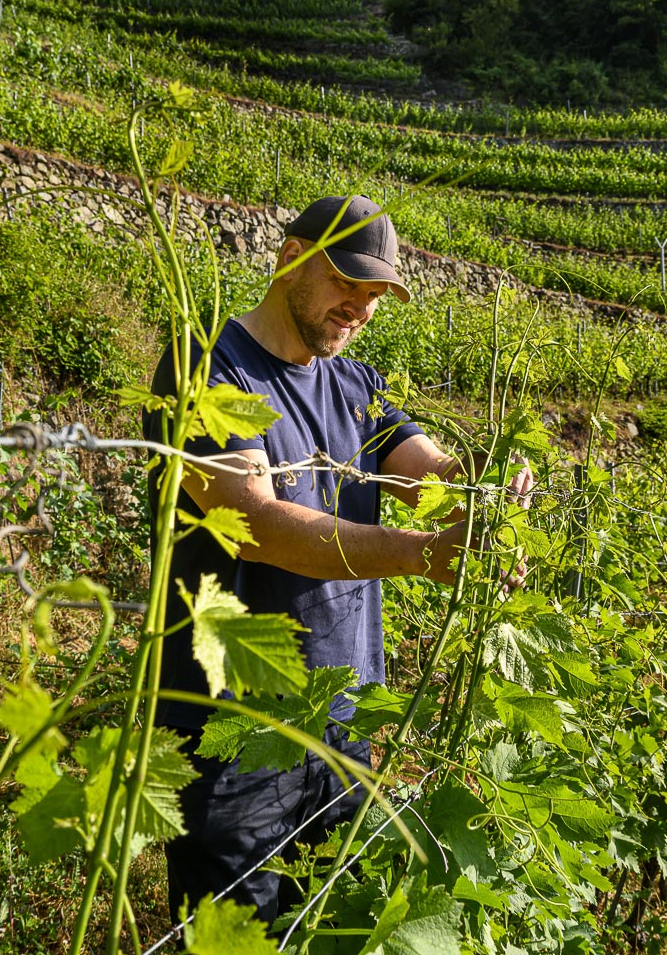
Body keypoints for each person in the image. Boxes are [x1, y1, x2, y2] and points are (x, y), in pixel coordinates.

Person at [146, 194, 531, 923]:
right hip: (236, 732)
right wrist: (422, 555)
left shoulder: (358, 387)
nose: (361, 307)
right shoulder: (208, 366)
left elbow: (428, 471)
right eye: (346, 282)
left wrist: (487, 484)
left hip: (341, 720)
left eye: (377, 294)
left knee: (322, 929)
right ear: (290, 257)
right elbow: (255, 523)